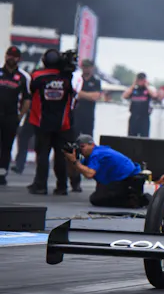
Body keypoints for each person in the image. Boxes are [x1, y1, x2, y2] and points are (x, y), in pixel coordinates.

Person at [27, 49, 78, 195]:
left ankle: (40, 185)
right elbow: (73, 95)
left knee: (42, 154)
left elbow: (31, 91)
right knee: (61, 156)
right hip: (62, 123)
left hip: (42, 122)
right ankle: (62, 186)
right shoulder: (66, 78)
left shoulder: (37, 76)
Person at [64, 134, 148, 208]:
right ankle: (130, 197)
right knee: (99, 195)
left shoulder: (97, 154)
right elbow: (76, 172)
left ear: (92, 144)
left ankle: (137, 200)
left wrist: (75, 162)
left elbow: (89, 174)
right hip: (119, 179)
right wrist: (71, 160)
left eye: (83, 146)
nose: (81, 150)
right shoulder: (91, 156)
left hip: (128, 179)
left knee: (96, 199)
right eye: (79, 148)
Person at [0, 46, 31, 185]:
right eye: (9, 55)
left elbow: (27, 99)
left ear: (19, 59)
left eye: (14, 56)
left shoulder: (24, 77)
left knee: (7, 146)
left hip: (11, 116)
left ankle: (2, 174)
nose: (11, 58)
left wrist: (20, 116)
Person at [70, 59, 102, 192]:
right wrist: (84, 95)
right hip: (76, 117)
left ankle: (89, 171)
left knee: (88, 148)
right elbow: (73, 93)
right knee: (74, 148)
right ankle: (74, 180)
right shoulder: (77, 79)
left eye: (88, 67)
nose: (86, 69)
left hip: (88, 118)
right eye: (84, 66)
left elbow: (95, 96)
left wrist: (80, 93)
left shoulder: (96, 81)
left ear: (92, 68)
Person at [122, 72, 158, 137]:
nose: (140, 81)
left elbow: (154, 96)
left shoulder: (149, 89)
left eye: (142, 80)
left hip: (144, 117)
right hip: (134, 116)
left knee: (144, 137)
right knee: (131, 136)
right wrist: (133, 85)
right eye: (139, 80)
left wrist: (146, 86)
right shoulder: (133, 89)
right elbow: (124, 96)